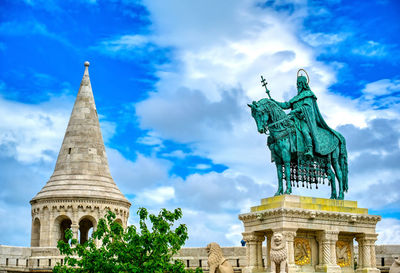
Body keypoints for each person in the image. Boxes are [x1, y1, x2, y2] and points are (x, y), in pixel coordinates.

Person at [272, 73, 338, 158]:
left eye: (299, 84)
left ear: (303, 84)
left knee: (304, 131)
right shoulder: (295, 98)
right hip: (294, 119)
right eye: (297, 84)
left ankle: (309, 149)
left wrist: (296, 110)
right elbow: (286, 105)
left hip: (304, 120)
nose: (297, 86)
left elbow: (307, 107)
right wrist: (274, 102)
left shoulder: (308, 94)